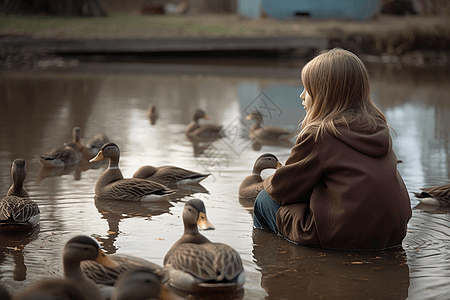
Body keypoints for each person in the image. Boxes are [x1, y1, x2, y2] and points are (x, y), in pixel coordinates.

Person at [253, 48, 412, 250]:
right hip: (392, 233)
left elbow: (283, 189)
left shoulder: (320, 135)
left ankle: (279, 272)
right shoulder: (379, 128)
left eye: (308, 89)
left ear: (325, 95)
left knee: (263, 200)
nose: (301, 96)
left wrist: (266, 181)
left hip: (340, 235)